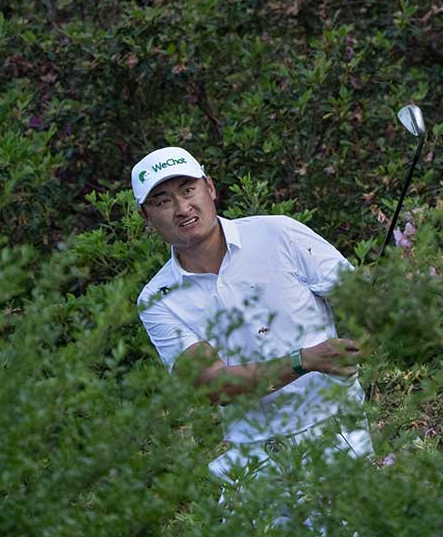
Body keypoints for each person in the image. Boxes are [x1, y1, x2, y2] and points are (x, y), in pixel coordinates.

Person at [131, 145, 374, 487]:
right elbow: (216, 387)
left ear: (210, 188)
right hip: (254, 455)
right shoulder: (157, 299)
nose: (183, 208)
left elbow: (362, 300)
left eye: (188, 190)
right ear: (146, 216)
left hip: (336, 430)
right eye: (163, 201)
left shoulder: (279, 234)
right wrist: (303, 360)